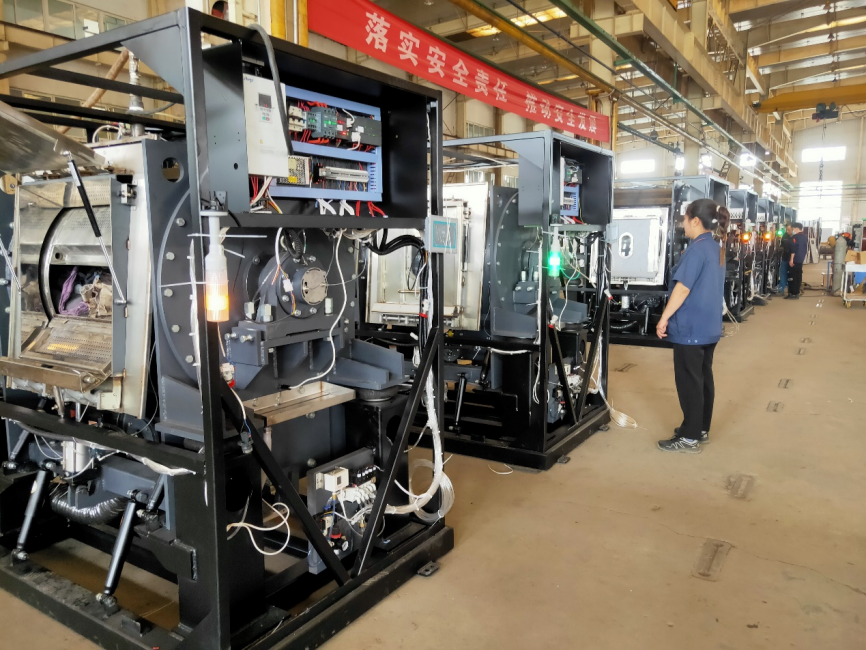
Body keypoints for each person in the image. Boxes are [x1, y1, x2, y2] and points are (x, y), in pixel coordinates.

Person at [656, 199, 728, 454]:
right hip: (709, 327)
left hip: (691, 328)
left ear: (695, 221)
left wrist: (664, 318)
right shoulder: (715, 247)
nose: (683, 223)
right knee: (703, 378)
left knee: (689, 382)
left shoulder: (696, 250)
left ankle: (689, 438)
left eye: (685, 219)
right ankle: (699, 428)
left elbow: (683, 288)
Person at [786, 222, 807, 300]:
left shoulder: (795, 237)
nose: (792, 230)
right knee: (798, 276)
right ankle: (796, 292)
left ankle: (792, 293)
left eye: (793, 229)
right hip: (800, 259)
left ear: (797, 228)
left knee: (792, 277)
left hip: (795, 260)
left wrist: (791, 259)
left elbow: (793, 249)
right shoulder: (805, 237)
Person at [778, 223, 793, 295]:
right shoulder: (785, 236)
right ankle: (782, 288)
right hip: (785, 257)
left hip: (793, 259)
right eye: (787, 230)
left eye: (789, 230)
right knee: (783, 272)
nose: (787, 231)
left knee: (791, 274)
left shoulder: (796, 237)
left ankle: (791, 289)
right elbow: (782, 245)